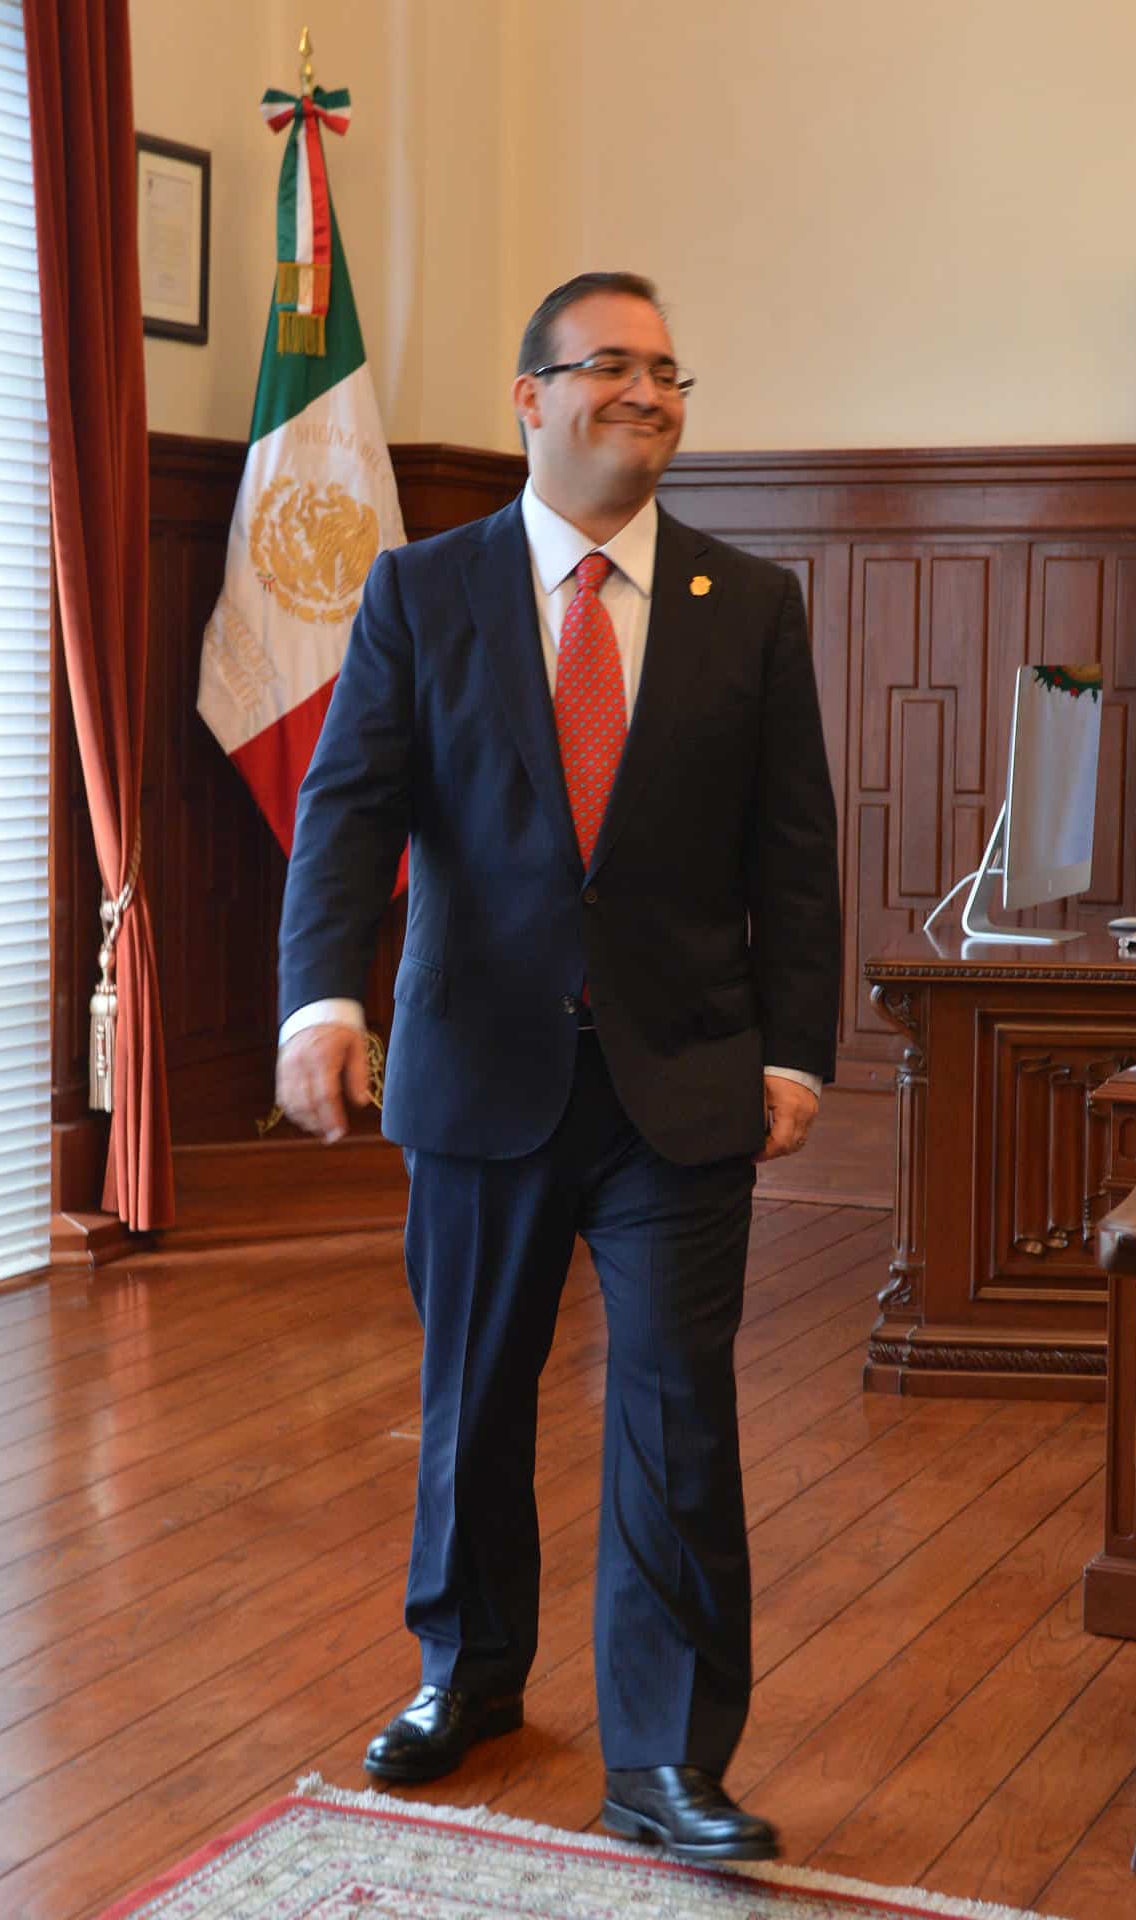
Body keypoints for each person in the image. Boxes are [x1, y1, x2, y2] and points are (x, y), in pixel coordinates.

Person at [276, 271, 841, 1863]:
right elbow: (348, 813)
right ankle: (468, 1676)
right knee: (472, 1397)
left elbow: (794, 854)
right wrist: (321, 1002)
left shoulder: (750, 603)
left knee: (676, 1414)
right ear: (529, 398)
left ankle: (667, 1760)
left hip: (685, 1077)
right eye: (610, 365)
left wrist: (798, 1051)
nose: (647, 393)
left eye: (668, 371)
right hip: (478, 1067)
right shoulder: (421, 591)